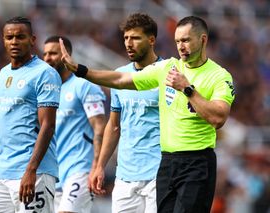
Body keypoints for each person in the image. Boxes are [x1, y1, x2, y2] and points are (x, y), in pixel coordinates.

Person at [59, 16, 236, 213]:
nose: (181, 46)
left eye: (186, 40)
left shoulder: (219, 76)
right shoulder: (168, 68)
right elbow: (120, 79)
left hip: (197, 162)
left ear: (203, 40)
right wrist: (81, 70)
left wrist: (187, 89)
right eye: (177, 41)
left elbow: (218, 118)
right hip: (167, 163)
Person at [0, 16, 62, 212]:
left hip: (34, 172)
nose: (14, 42)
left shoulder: (45, 73)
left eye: (20, 37)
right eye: (9, 37)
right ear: (3, 40)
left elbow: (48, 125)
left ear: (32, 40)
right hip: (0, 172)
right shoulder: (3, 74)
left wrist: (31, 170)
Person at [90, 13, 161, 212]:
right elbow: (114, 126)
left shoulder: (166, 74)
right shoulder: (120, 75)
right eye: (126, 38)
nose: (129, 43)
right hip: (125, 175)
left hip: (158, 173)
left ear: (151, 40)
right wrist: (100, 166)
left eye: (135, 38)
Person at [43, 35, 107, 213]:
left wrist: (96, 166)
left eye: (54, 53)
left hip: (80, 169)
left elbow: (100, 126)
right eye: (45, 54)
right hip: (53, 174)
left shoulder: (84, 85)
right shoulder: (46, 92)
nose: (48, 58)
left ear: (67, 55)